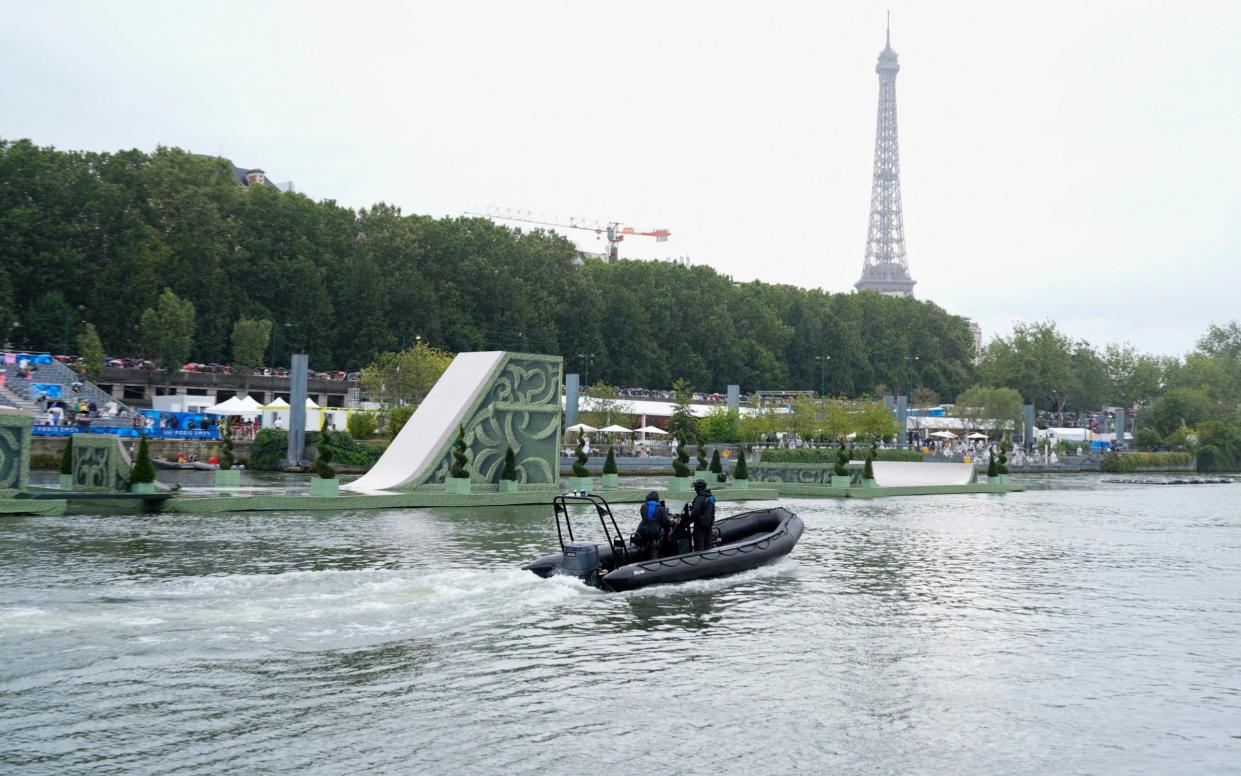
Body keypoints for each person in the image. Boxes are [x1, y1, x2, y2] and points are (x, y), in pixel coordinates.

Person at [633, 491, 673, 560]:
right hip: (654, 533)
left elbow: (646, 517)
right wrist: (673, 521)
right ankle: (656, 560)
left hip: (642, 531)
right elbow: (666, 522)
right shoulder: (661, 508)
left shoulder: (643, 507)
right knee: (655, 547)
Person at [689, 479, 716, 552]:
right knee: (708, 545)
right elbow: (713, 511)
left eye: (695, 487)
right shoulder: (711, 497)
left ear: (698, 488)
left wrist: (687, 522)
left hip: (700, 526)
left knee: (699, 546)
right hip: (709, 525)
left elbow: (695, 513)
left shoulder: (699, 498)